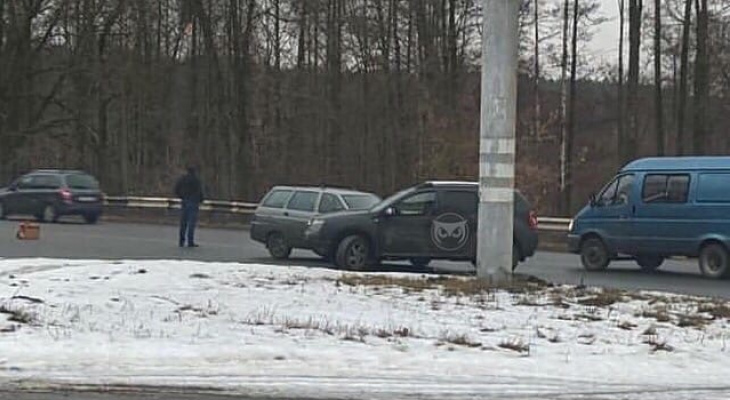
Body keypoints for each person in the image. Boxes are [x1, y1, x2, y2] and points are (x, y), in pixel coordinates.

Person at [174, 165, 204, 247]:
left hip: (184, 201)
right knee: (191, 223)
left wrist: (181, 196)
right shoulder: (196, 180)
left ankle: (181, 241)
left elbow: (176, 189)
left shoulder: (182, 179)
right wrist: (201, 200)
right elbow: (199, 191)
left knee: (183, 222)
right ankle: (190, 241)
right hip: (193, 202)